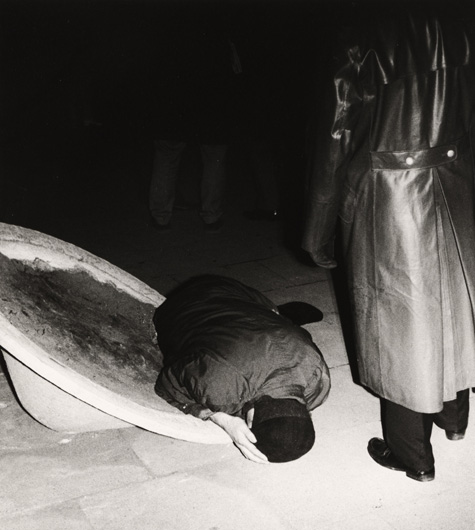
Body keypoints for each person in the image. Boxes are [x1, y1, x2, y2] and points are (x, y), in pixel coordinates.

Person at [302, 2, 475, 481]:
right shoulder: (460, 19)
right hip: (456, 176)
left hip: (392, 192)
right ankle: (454, 420)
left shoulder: (360, 32)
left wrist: (317, 229)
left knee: (399, 318)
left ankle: (411, 455)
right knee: (452, 304)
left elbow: (335, 134)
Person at [153, 275, 330, 463]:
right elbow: (165, 386)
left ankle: (281, 314)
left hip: (240, 295)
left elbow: (300, 339)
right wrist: (220, 418)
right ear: (250, 422)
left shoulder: (319, 382)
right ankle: (280, 313)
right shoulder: (219, 388)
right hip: (181, 306)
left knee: (279, 326)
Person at [148, 13, 240, 232]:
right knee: (214, 156)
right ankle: (211, 215)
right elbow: (234, 69)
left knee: (167, 154)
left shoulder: (170, 25)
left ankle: (160, 216)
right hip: (211, 99)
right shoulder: (219, 28)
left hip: (174, 97)